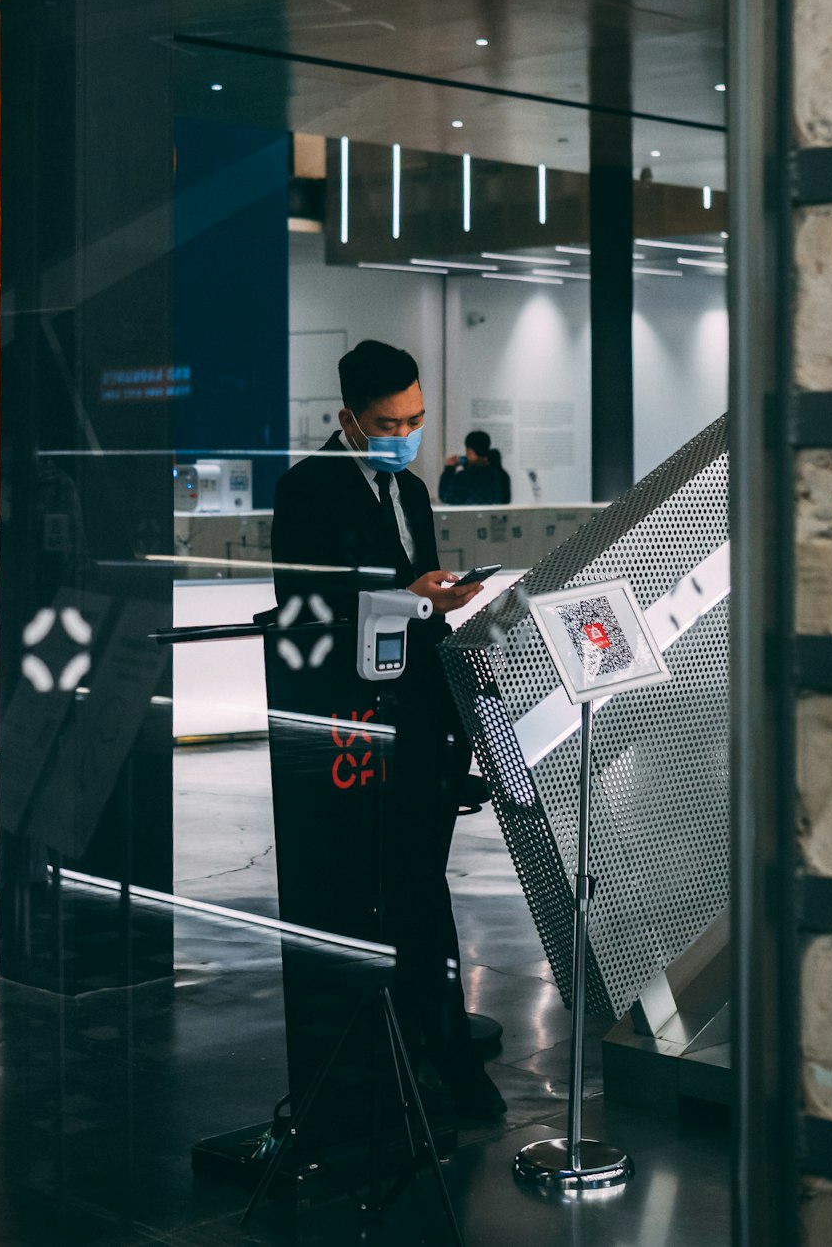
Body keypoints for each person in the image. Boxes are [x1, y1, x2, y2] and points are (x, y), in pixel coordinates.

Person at [271, 339, 506, 1119]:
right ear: (348, 418)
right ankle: (394, 1062)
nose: (404, 433)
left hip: (417, 723)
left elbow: (416, 598)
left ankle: (433, 1045)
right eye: (387, 422)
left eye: (416, 418)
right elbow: (312, 614)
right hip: (351, 733)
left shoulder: (410, 493)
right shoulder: (308, 491)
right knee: (376, 892)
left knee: (417, 886)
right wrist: (413, 600)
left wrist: (448, 610)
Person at [439, 429, 512, 507]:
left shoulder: (463, 477)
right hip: (492, 518)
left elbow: (445, 496)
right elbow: (506, 500)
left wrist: (449, 469)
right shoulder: (501, 476)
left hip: (469, 518)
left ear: (470, 451)